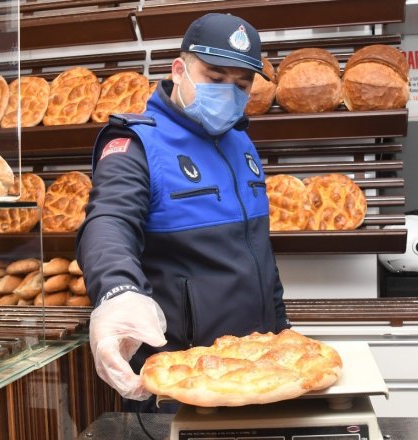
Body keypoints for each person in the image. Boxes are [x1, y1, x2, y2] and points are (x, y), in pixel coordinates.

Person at [75, 13, 290, 413]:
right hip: (185, 379)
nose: (228, 91)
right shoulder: (136, 144)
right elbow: (108, 222)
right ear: (179, 70)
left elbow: (258, 251)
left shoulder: (242, 144)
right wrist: (117, 291)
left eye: (240, 85)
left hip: (258, 369)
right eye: (214, 77)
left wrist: (282, 335)